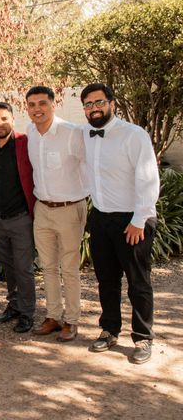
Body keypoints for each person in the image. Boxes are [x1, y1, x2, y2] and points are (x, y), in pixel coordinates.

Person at [80, 83, 159, 364]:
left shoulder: (133, 135)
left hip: (133, 218)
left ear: (112, 103)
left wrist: (140, 219)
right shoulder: (86, 134)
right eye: (88, 104)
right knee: (106, 280)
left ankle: (143, 337)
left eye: (98, 102)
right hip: (101, 217)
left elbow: (148, 178)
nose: (94, 108)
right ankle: (109, 329)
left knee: (138, 282)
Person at [25, 86, 88, 342]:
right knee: (48, 267)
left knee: (70, 268)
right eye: (31, 104)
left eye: (42, 103)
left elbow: (92, 164)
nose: (37, 109)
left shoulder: (72, 133)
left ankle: (72, 321)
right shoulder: (30, 131)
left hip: (70, 208)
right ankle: (53, 316)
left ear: (53, 104)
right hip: (43, 209)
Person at [0, 102, 36, 333]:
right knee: (8, 266)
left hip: (21, 218)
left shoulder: (24, 143)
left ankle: (27, 313)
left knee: (24, 268)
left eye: (4, 119)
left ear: (13, 120)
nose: (0, 124)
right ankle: (14, 305)